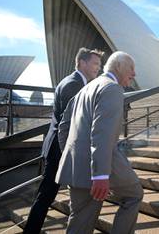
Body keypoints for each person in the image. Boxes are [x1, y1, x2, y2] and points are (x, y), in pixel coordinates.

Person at [55, 51, 143, 234]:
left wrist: (73, 158)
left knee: (80, 222)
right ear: (118, 66)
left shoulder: (85, 88)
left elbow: (63, 127)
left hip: (76, 167)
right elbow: (102, 134)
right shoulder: (112, 88)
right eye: (131, 68)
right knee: (134, 194)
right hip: (99, 166)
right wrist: (100, 176)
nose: (134, 74)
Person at [24, 48, 102, 233]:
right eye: (95, 64)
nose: (98, 68)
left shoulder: (72, 82)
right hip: (59, 150)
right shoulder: (73, 85)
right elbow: (72, 123)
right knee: (46, 195)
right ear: (82, 63)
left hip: (59, 148)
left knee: (47, 195)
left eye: (99, 65)